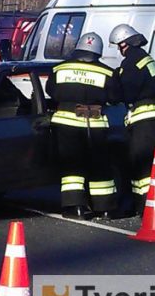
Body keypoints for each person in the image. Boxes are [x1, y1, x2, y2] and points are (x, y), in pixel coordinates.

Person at [45, 32, 119, 220]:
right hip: (95, 125)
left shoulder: (59, 69)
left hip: (66, 124)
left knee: (72, 167)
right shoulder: (108, 72)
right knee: (99, 166)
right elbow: (114, 98)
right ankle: (104, 209)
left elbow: (51, 92)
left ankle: (75, 207)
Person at [109, 24, 155, 214]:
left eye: (119, 45)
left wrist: (114, 88)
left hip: (143, 118)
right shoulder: (146, 59)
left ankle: (145, 207)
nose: (119, 49)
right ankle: (145, 205)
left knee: (140, 164)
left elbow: (127, 91)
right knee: (151, 163)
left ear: (125, 43)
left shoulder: (131, 63)